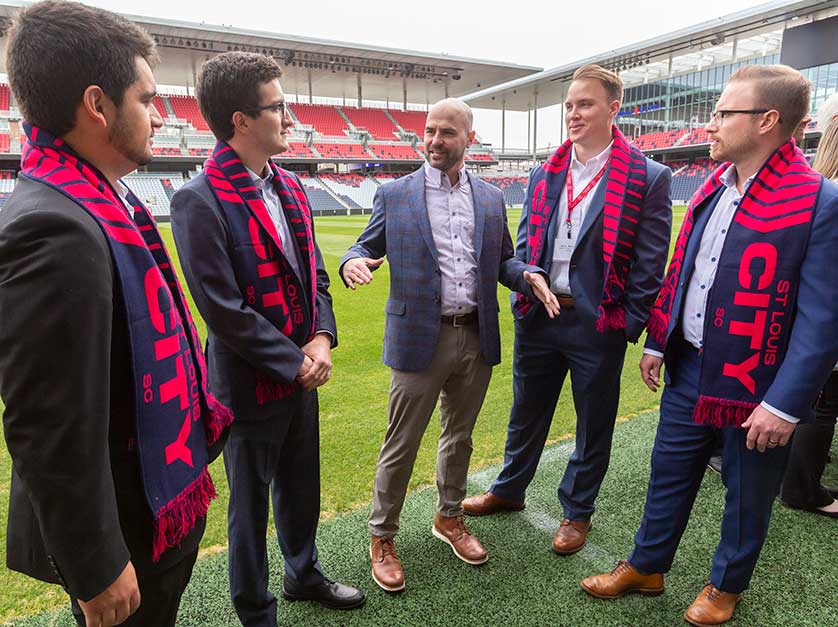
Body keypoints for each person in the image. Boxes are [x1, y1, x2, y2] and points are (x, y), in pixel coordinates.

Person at [0, 3, 232, 627]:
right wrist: (96, 563)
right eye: (148, 99)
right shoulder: (54, 226)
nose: (160, 117)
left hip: (155, 507)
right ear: (98, 106)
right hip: (128, 531)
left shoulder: (99, 200)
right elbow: (45, 423)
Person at [581, 65, 838, 627]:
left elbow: (824, 320)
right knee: (666, 474)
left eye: (724, 112)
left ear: (768, 121)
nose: (711, 123)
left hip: (757, 382)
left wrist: (784, 405)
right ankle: (647, 566)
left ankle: (727, 584)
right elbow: (687, 271)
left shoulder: (819, 202)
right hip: (689, 365)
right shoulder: (713, 188)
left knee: (747, 494)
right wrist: (658, 340)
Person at [169, 52, 364, 627]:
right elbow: (222, 309)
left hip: (303, 370)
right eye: (278, 106)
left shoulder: (294, 190)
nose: (290, 116)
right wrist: (294, 361)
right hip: (248, 384)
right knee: (249, 506)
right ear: (241, 121)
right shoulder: (197, 200)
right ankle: (255, 608)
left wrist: (322, 338)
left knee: (302, 487)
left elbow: (317, 279)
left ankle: (303, 573)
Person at [340, 98, 557, 592]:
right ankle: (383, 536)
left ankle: (449, 517)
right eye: (429, 130)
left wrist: (529, 276)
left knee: (459, 436)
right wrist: (353, 261)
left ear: (469, 139)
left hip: (475, 335)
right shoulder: (395, 194)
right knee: (402, 442)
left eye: (447, 133)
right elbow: (364, 245)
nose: (435, 140)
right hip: (420, 338)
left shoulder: (489, 197)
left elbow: (504, 260)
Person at [463, 64, 673, 556]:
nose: (574, 114)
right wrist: (525, 286)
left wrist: (622, 325)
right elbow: (524, 243)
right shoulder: (545, 170)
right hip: (539, 313)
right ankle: (510, 489)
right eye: (570, 105)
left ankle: (577, 511)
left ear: (613, 108)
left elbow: (650, 264)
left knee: (592, 421)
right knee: (526, 410)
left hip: (595, 321)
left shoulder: (649, 176)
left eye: (585, 104)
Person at [779, 111, 838, 519]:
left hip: (805, 312)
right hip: (823, 315)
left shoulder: (818, 188)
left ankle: (796, 478)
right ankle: (800, 487)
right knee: (823, 402)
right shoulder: (829, 195)